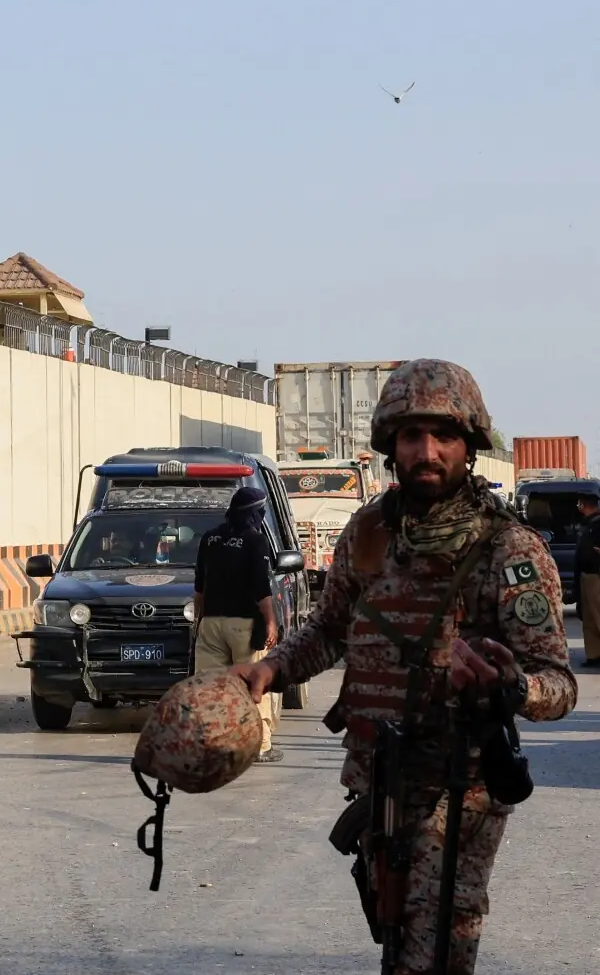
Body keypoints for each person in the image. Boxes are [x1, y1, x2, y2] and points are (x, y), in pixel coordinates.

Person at [233, 359, 576, 974]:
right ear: (390, 444)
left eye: (443, 436)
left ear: (468, 447)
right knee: (396, 928)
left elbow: (559, 683)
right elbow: (330, 630)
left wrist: (512, 685)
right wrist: (273, 670)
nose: (427, 451)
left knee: (435, 938)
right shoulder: (367, 534)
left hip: (459, 783)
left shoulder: (508, 549)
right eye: (412, 436)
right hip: (378, 775)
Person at [193, 487, 282, 763]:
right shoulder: (255, 541)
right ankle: (261, 745)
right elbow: (261, 589)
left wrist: (198, 622)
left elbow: (199, 589)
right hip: (245, 626)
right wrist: (270, 622)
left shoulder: (210, 538)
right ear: (255, 513)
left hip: (211, 624)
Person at [576, 494, 600, 667]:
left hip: (596, 576)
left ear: (584, 505)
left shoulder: (598, 524)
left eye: (579, 504)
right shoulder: (587, 524)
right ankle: (593, 655)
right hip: (585, 575)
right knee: (589, 619)